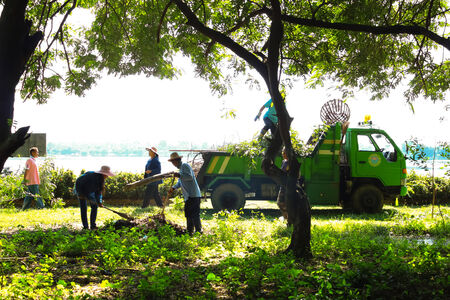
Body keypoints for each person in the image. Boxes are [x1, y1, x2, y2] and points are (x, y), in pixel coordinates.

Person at [168, 152, 202, 235]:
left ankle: (197, 231)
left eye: (173, 162)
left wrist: (179, 175)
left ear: (177, 160)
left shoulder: (185, 166)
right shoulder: (181, 169)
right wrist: (173, 188)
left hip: (193, 195)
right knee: (189, 213)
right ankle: (190, 231)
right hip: (189, 196)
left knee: (194, 214)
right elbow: (180, 182)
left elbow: (189, 177)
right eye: (172, 162)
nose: (173, 164)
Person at [74, 165, 115, 230]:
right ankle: (85, 227)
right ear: (103, 173)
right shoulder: (92, 177)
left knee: (95, 206)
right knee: (83, 208)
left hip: (89, 190)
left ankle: (93, 226)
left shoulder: (101, 180)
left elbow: (98, 192)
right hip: (80, 188)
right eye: (106, 174)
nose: (107, 176)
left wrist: (99, 202)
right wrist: (80, 194)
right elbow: (79, 182)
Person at [277, 148, 289, 221]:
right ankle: (285, 217)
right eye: (283, 153)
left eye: (285, 153)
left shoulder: (291, 162)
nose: (283, 154)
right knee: (280, 202)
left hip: (288, 185)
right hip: (283, 185)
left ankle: (287, 218)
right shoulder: (284, 162)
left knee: (283, 203)